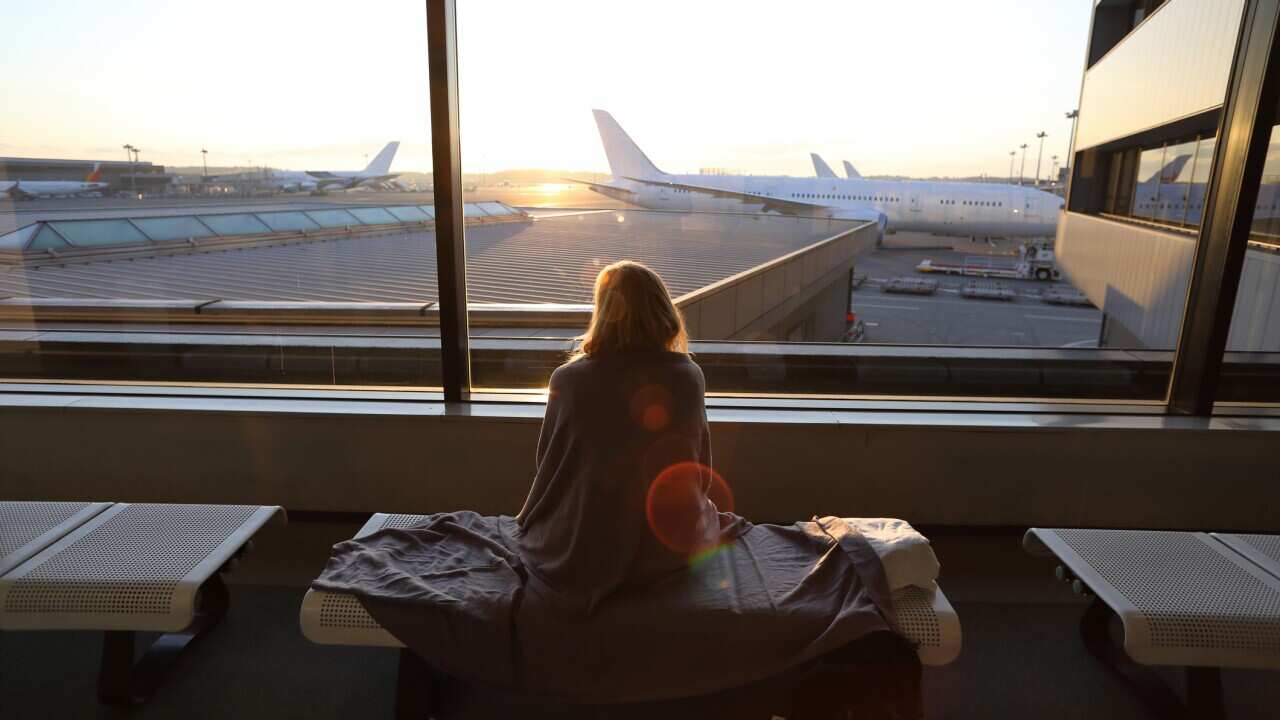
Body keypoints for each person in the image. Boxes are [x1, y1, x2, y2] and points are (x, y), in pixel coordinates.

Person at [314, 260, 921, 718]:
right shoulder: (687, 375)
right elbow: (697, 470)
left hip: (570, 552)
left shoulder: (570, 379)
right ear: (662, 311)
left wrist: (546, 524)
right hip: (670, 551)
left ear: (603, 313)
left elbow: (551, 468)